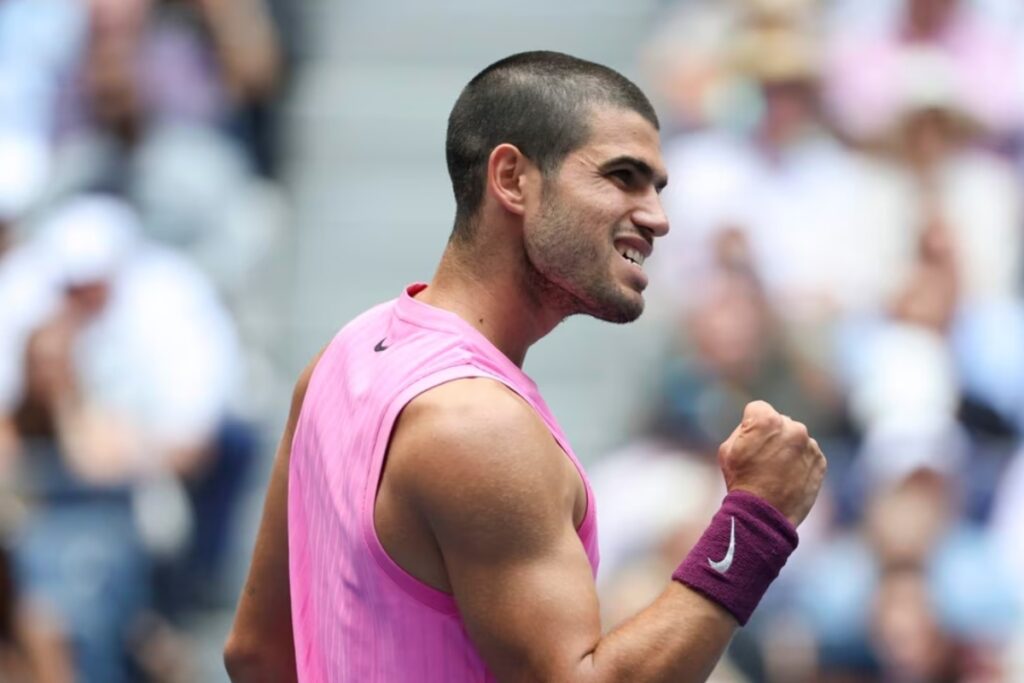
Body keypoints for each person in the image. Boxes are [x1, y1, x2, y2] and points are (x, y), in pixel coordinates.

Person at [224, 51, 827, 682]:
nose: (658, 217)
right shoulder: (480, 425)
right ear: (512, 178)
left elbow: (257, 654)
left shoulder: (339, 359)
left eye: (657, 187)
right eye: (623, 177)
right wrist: (756, 519)